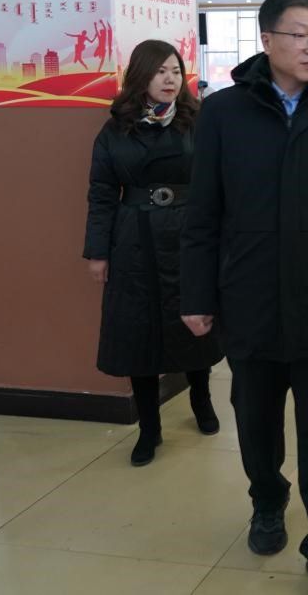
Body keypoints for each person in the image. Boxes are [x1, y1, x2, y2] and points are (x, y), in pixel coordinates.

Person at [181, 0, 308, 595]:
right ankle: (267, 500)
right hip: (250, 298)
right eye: (301, 35)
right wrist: (197, 294)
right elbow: (204, 211)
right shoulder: (224, 113)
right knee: (256, 421)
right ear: (266, 40)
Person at [84, 40, 223, 465]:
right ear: (141, 76)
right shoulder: (116, 127)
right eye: (161, 71)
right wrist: (97, 252)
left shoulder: (197, 120)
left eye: (176, 71)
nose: (170, 79)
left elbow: (218, 182)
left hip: (188, 234)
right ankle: (149, 426)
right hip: (134, 238)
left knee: (193, 320)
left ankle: (201, 398)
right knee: (137, 331)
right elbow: (102, 193)